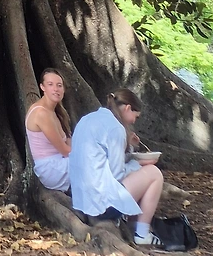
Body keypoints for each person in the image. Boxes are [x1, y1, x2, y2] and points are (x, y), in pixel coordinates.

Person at [70, 87, 165, 247]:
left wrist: (131, 148)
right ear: (127, 108)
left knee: (142, 172)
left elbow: (103, 160)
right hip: (101, 206)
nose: (134, 121)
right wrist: (137, 164)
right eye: (135, 116)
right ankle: (142, 234)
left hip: (81, 200)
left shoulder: (88, 119)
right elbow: (117, 175)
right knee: (154, 173)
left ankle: (134, 225)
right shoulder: (116, 128)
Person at [26, 67, 72, 191]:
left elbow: (68, 141)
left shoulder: (56, 111)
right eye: (50, 84)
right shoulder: (41, 114)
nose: (56, 89)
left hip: (61, 162)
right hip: (51, 169)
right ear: (42, 87)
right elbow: (65, 151)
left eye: (59, 85)